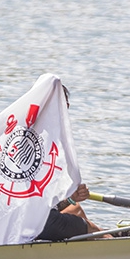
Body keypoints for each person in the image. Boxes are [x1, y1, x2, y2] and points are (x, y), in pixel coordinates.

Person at [34, 85, 105, 241]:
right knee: (92, 229)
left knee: (75, 209)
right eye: (63, 106)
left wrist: (72, 198)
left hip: (22, 220)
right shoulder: (46, 143)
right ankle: (114, 247)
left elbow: (45, 205)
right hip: (37, 224)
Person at [35, 183, 104, 241]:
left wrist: (71, 199)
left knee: (75, 208)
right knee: (92, 229)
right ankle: (109, 241)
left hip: (30, 222)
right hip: (44, 224)